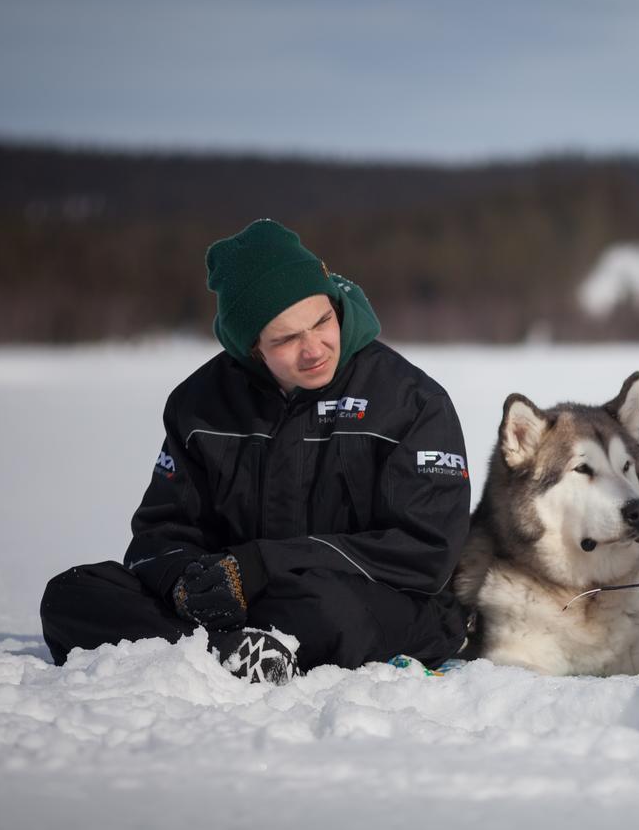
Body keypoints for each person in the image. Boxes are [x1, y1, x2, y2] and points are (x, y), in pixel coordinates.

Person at [41, 219, 472, 683]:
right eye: (286, 339)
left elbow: (427, 551)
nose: (314, 349)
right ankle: (232, 650)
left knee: (326, 610)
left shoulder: (410, 400)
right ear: (251, 347)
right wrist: (186, 581)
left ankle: (195, 648)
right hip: (241, 602)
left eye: (322, 321)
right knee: (74, 594)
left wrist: (264, 564)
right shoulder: (199, 405)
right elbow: (157, 536)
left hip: (368, 601)